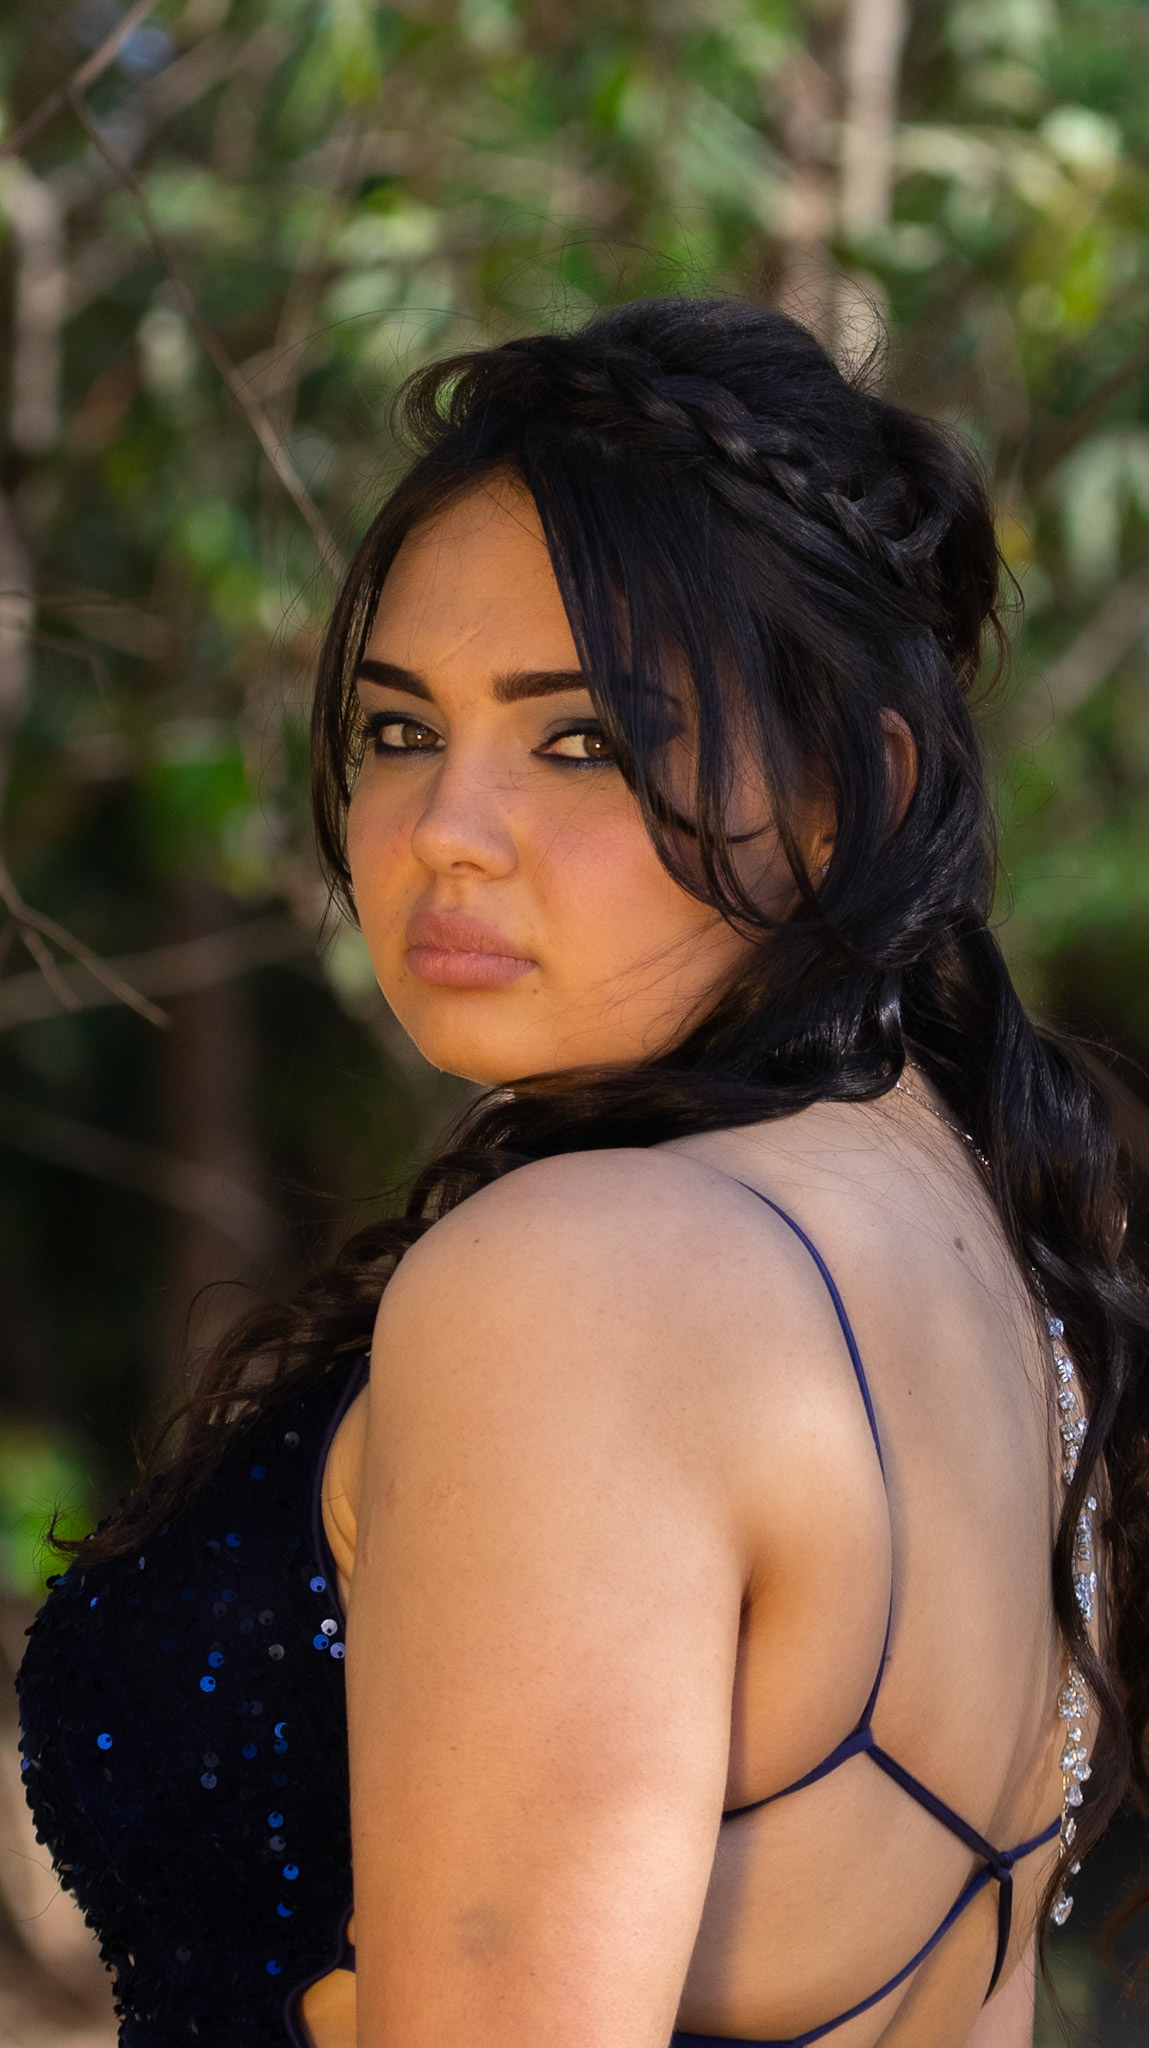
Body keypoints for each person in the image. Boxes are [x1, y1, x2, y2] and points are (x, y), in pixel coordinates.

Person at [16, 297, 1149, 2048]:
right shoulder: (973, 1239)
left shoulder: (586, 1281)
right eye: (400, 731)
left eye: (583, 742)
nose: (444, 833)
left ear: (855, 785)